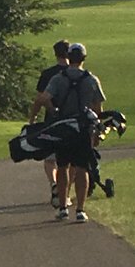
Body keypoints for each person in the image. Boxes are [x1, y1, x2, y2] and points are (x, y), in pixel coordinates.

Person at [36, 42, 105, 223]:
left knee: (62, 166)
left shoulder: (59, 78)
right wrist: (96, 131)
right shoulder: (91, 79)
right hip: (83, 128)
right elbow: (98, 108)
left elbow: (44, 98)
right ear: (83, 58)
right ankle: (80, 209)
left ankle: (63, 207)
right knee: (82, 168)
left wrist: (54, 111)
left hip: (65, 127)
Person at [28, 38, 71, 207]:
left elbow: (40, 99)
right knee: (69, 161)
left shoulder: (48, 74)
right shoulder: (77, 73)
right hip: (71, 119)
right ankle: (64, 191)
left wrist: (32, 119)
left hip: (51, 119)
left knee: (50, 159)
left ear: (55, 54)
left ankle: (53, 184)